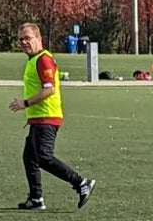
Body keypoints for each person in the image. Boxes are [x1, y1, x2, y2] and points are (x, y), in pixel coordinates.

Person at [9, 22, 95, 211]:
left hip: (46, 117)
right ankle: (36, 198)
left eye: (28, 38)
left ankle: (81, 183)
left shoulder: (43, 60)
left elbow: (49, 90)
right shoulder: (34, 60)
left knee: (44, 157)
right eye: (20, 39)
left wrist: (25, 103)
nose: (23, 42)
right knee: (29, 157)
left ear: (39, 39)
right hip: (38, 118)